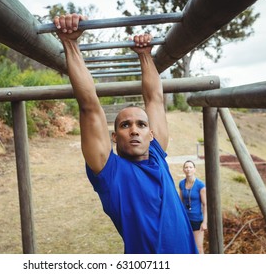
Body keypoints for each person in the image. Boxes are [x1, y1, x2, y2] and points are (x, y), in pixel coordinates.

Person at [53, 13, 197, 254]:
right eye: (125, 125)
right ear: (114, 137)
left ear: (151, 133)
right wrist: (70, 43)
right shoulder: (110, 174)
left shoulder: (157, 156)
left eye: (141, 125)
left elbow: (154, 99)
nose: (134, 130)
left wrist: (145, 54)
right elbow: (89, 104)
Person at [179, 160, 207, 254]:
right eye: (186, 167)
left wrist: (205, 222)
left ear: (194, 169)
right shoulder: (181, 184)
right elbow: (181, 202)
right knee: (186, 246)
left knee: (198, 248)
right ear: (183, 170)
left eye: (190, 167)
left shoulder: (200, 185)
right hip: (185, 219)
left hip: (197, 220)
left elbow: (205, 204)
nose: (188, 169)